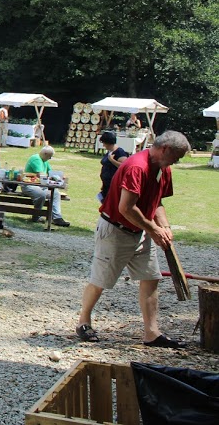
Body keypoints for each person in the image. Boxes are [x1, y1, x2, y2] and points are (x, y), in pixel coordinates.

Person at [76, 131, 191, 348]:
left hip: (141, 231)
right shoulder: (137, 166)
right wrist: (155, 230)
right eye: (177, 155)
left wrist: (164, 227)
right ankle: (83, 321)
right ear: (165, 149)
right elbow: (126, 208)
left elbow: (157, 203)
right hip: (116, 231)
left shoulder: (163, 169)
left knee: (151, 277)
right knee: (101, 280)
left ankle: (152, 333)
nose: (178, 161)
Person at [21, 146, 70, 227]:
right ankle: (37, 216)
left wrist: (60, 177)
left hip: (40, 185)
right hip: (29, 185)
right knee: (41, 194)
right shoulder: (36, 159)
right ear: (45, 154)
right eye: (49, 156)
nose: (50, 158)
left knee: (56, 194)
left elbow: (50, 172)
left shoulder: (44, 161)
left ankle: (57, 218)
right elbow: (41, 175)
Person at [98, 131, 130, 203]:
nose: (103, 145)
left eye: (104, 143)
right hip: (107, 184)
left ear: (108, 142)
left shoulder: (119, 152)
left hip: (114, 185)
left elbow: (124, 166)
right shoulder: (110, 151)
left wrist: (112, 160)